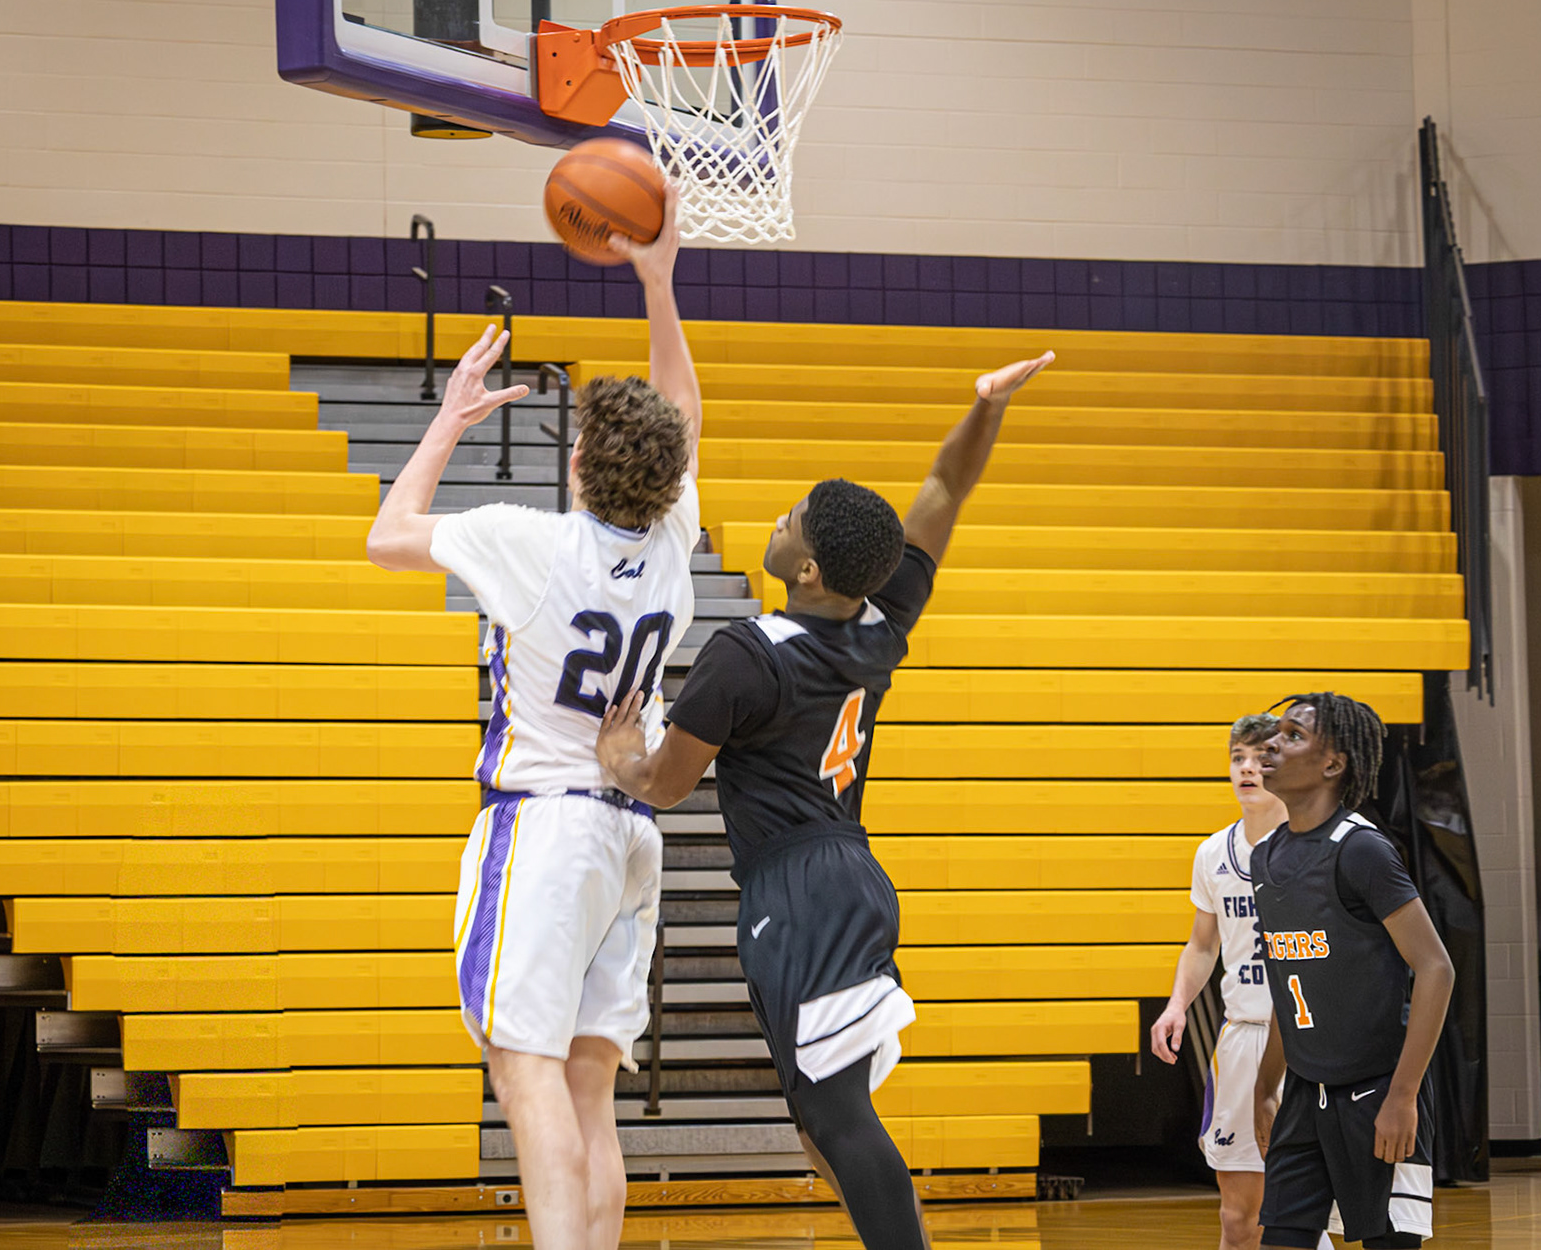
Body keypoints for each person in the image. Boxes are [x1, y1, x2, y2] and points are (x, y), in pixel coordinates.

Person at [592, 349, 1055, 1250]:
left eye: (790, 521)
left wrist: (620, 756)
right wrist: (986, 409)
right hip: (838, 874)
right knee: (818, 1123)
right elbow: (943, 491)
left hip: (801, 891)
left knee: (839, 1118)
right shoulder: (880, 618)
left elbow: (669, 783)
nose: (777, 520)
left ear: (806, 570)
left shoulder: (746, 654)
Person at [363, 188, 700, 1250]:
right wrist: (660, 288)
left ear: (578, 463)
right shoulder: (679, 552)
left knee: (525, 1074)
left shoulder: (535, 544)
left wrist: (450, 418)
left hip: (547, 824)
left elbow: (388, 535)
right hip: (631, 835)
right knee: (590, 1088)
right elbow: (682, 414)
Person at [1250, 694, 1456, 1250]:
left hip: (1379, 1091)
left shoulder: (1360, 849)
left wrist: (1404, 1095)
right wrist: (1266, 1085)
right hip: (1304, 1093)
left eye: (1292, 735)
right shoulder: (1264, 858)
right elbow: (1290, 986)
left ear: (1333, 763)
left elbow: (1436, 967)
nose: (1270, 744)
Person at [1152, 714, 1329, 1250]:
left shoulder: (1318, 848)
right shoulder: (1212, 853)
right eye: (1238, 759)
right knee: (1237, 1218)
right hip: (1242, 1037)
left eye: (1258, 758)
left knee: (1302, 1209)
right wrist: (1177, 1004)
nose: (1247, 769)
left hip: (1306, 1042)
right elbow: (1203, 945)